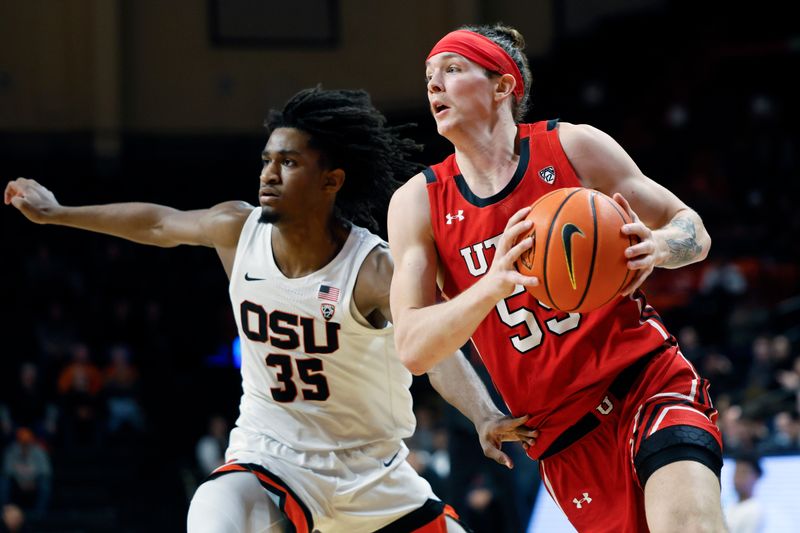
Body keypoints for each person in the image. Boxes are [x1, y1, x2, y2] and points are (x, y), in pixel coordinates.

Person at [5, 87, 536, 532]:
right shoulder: (239, 231)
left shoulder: (373, 270)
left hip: (372, 474)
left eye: (289, 162)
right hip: (271, 455)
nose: (270, 173)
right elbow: (158, 223)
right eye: (266, 160)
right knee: (211, 511)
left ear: (331, 181)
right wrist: (58, 213)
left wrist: (484, 413)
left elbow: (434, 350)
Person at [388, 24, 725, 532]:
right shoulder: (419, 202)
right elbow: (414, 345)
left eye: (452, 71)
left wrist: (656, 247)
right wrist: (492, 290)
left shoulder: (572, 147)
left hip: (645, 383)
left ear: (503, 86)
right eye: (430, 77)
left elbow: (692, 230)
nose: (433, 85)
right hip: (563, 438)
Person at [724, 454, 765, 533]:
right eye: (736, 472)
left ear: (755, 477)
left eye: (743, 473)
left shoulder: (754, 510)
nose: (738, 478)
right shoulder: (730, 506)